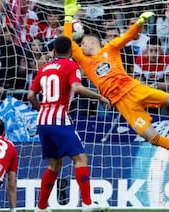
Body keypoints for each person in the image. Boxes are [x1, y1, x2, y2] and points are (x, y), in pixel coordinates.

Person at [62, 0, 169, 167]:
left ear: (92, 41)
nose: (81, 46)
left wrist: (139, 23)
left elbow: (128, 36)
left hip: (133, 88)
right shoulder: (85, 62)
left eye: (83, 42)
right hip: (123, 104)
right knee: (153, 138)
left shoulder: (110, 48)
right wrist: (68, 18)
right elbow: (67, 42)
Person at [27, 36, 111, 212]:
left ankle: (41, 207)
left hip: (42, 120)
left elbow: (30, 96)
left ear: (54, 51)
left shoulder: (43, 68)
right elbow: (77, 88)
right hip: (59, 119)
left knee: (54, 165)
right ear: (71, 52)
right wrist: (99, 96)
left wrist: (41, 109)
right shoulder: (71, 65)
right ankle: (87, 204)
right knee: (80, 158)